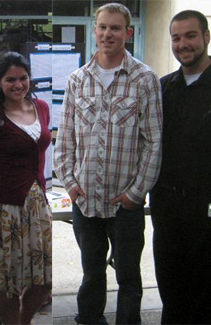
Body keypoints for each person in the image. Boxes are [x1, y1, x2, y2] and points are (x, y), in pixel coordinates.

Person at [54, 3, 162, 325]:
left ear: (128, 33)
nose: (107, 34)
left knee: (128, 277)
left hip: (125, 206)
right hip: (85, 203)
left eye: (115, 28)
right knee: (91, 274)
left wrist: (135, 193)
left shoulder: (145, 79)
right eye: (102, 27)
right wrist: (71, 185)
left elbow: (154, 142)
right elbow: (65, 139)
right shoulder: (77, 80)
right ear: (94, 30)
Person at [0, 51, 52, 325]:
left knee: (43, 282)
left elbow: (39, 156)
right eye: (10, 80)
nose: (18, 85)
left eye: (23, 78)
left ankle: (23, 321)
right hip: (5, 210)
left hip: (37, 205)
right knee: (9, 283)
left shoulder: (41, 107)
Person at [149, 10, 211, 325]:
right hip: (167, 206)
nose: (183, 44)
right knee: (171, 290)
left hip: (206, 208)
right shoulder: (163, 89)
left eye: (190, 36)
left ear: (206, 38)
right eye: (176, 37)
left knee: (204, 295)